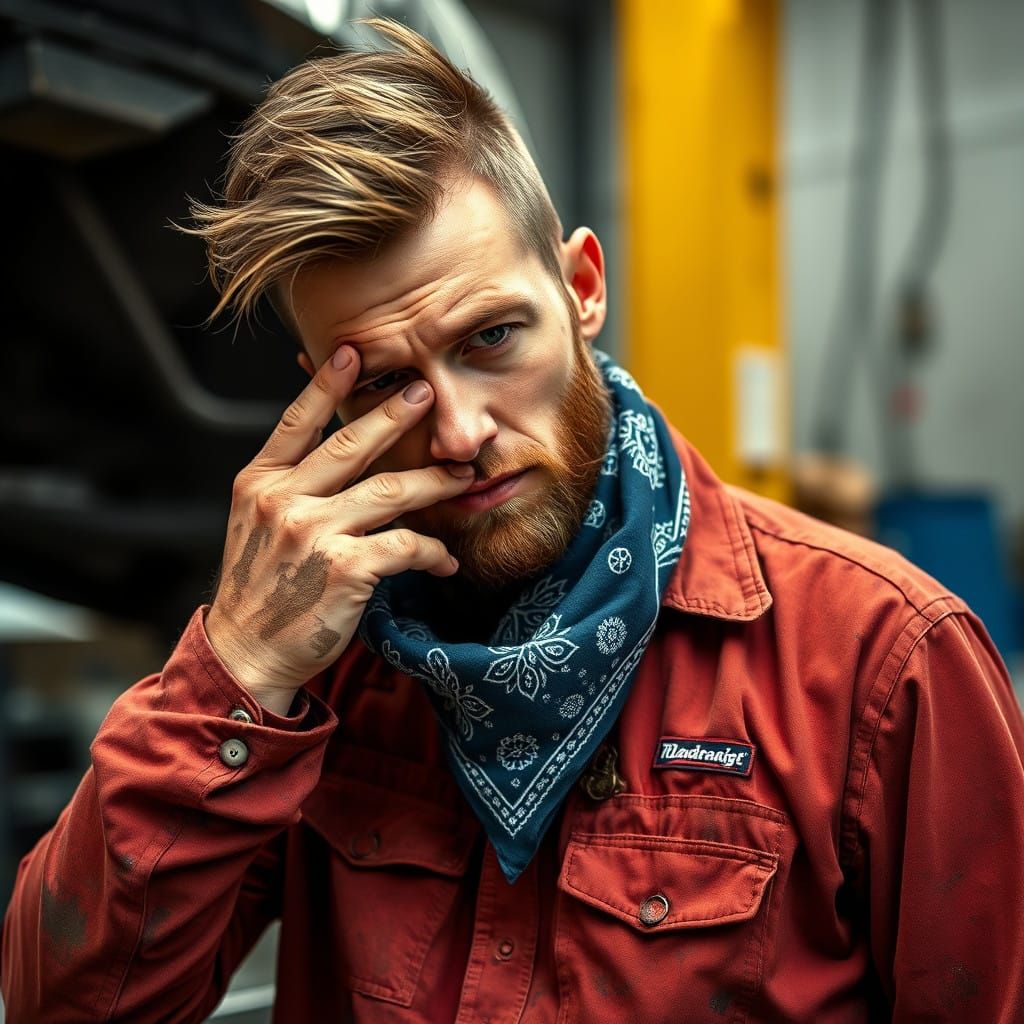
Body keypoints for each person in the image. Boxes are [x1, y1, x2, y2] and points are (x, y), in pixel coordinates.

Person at [3, 18, 1023, 1024]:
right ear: (321, 394)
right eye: (389, 384)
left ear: (581, 287)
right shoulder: (322, 668)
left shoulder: (878, 659)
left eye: (492, 337)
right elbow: (69, 1004)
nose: (457, 431)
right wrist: (232, 669)